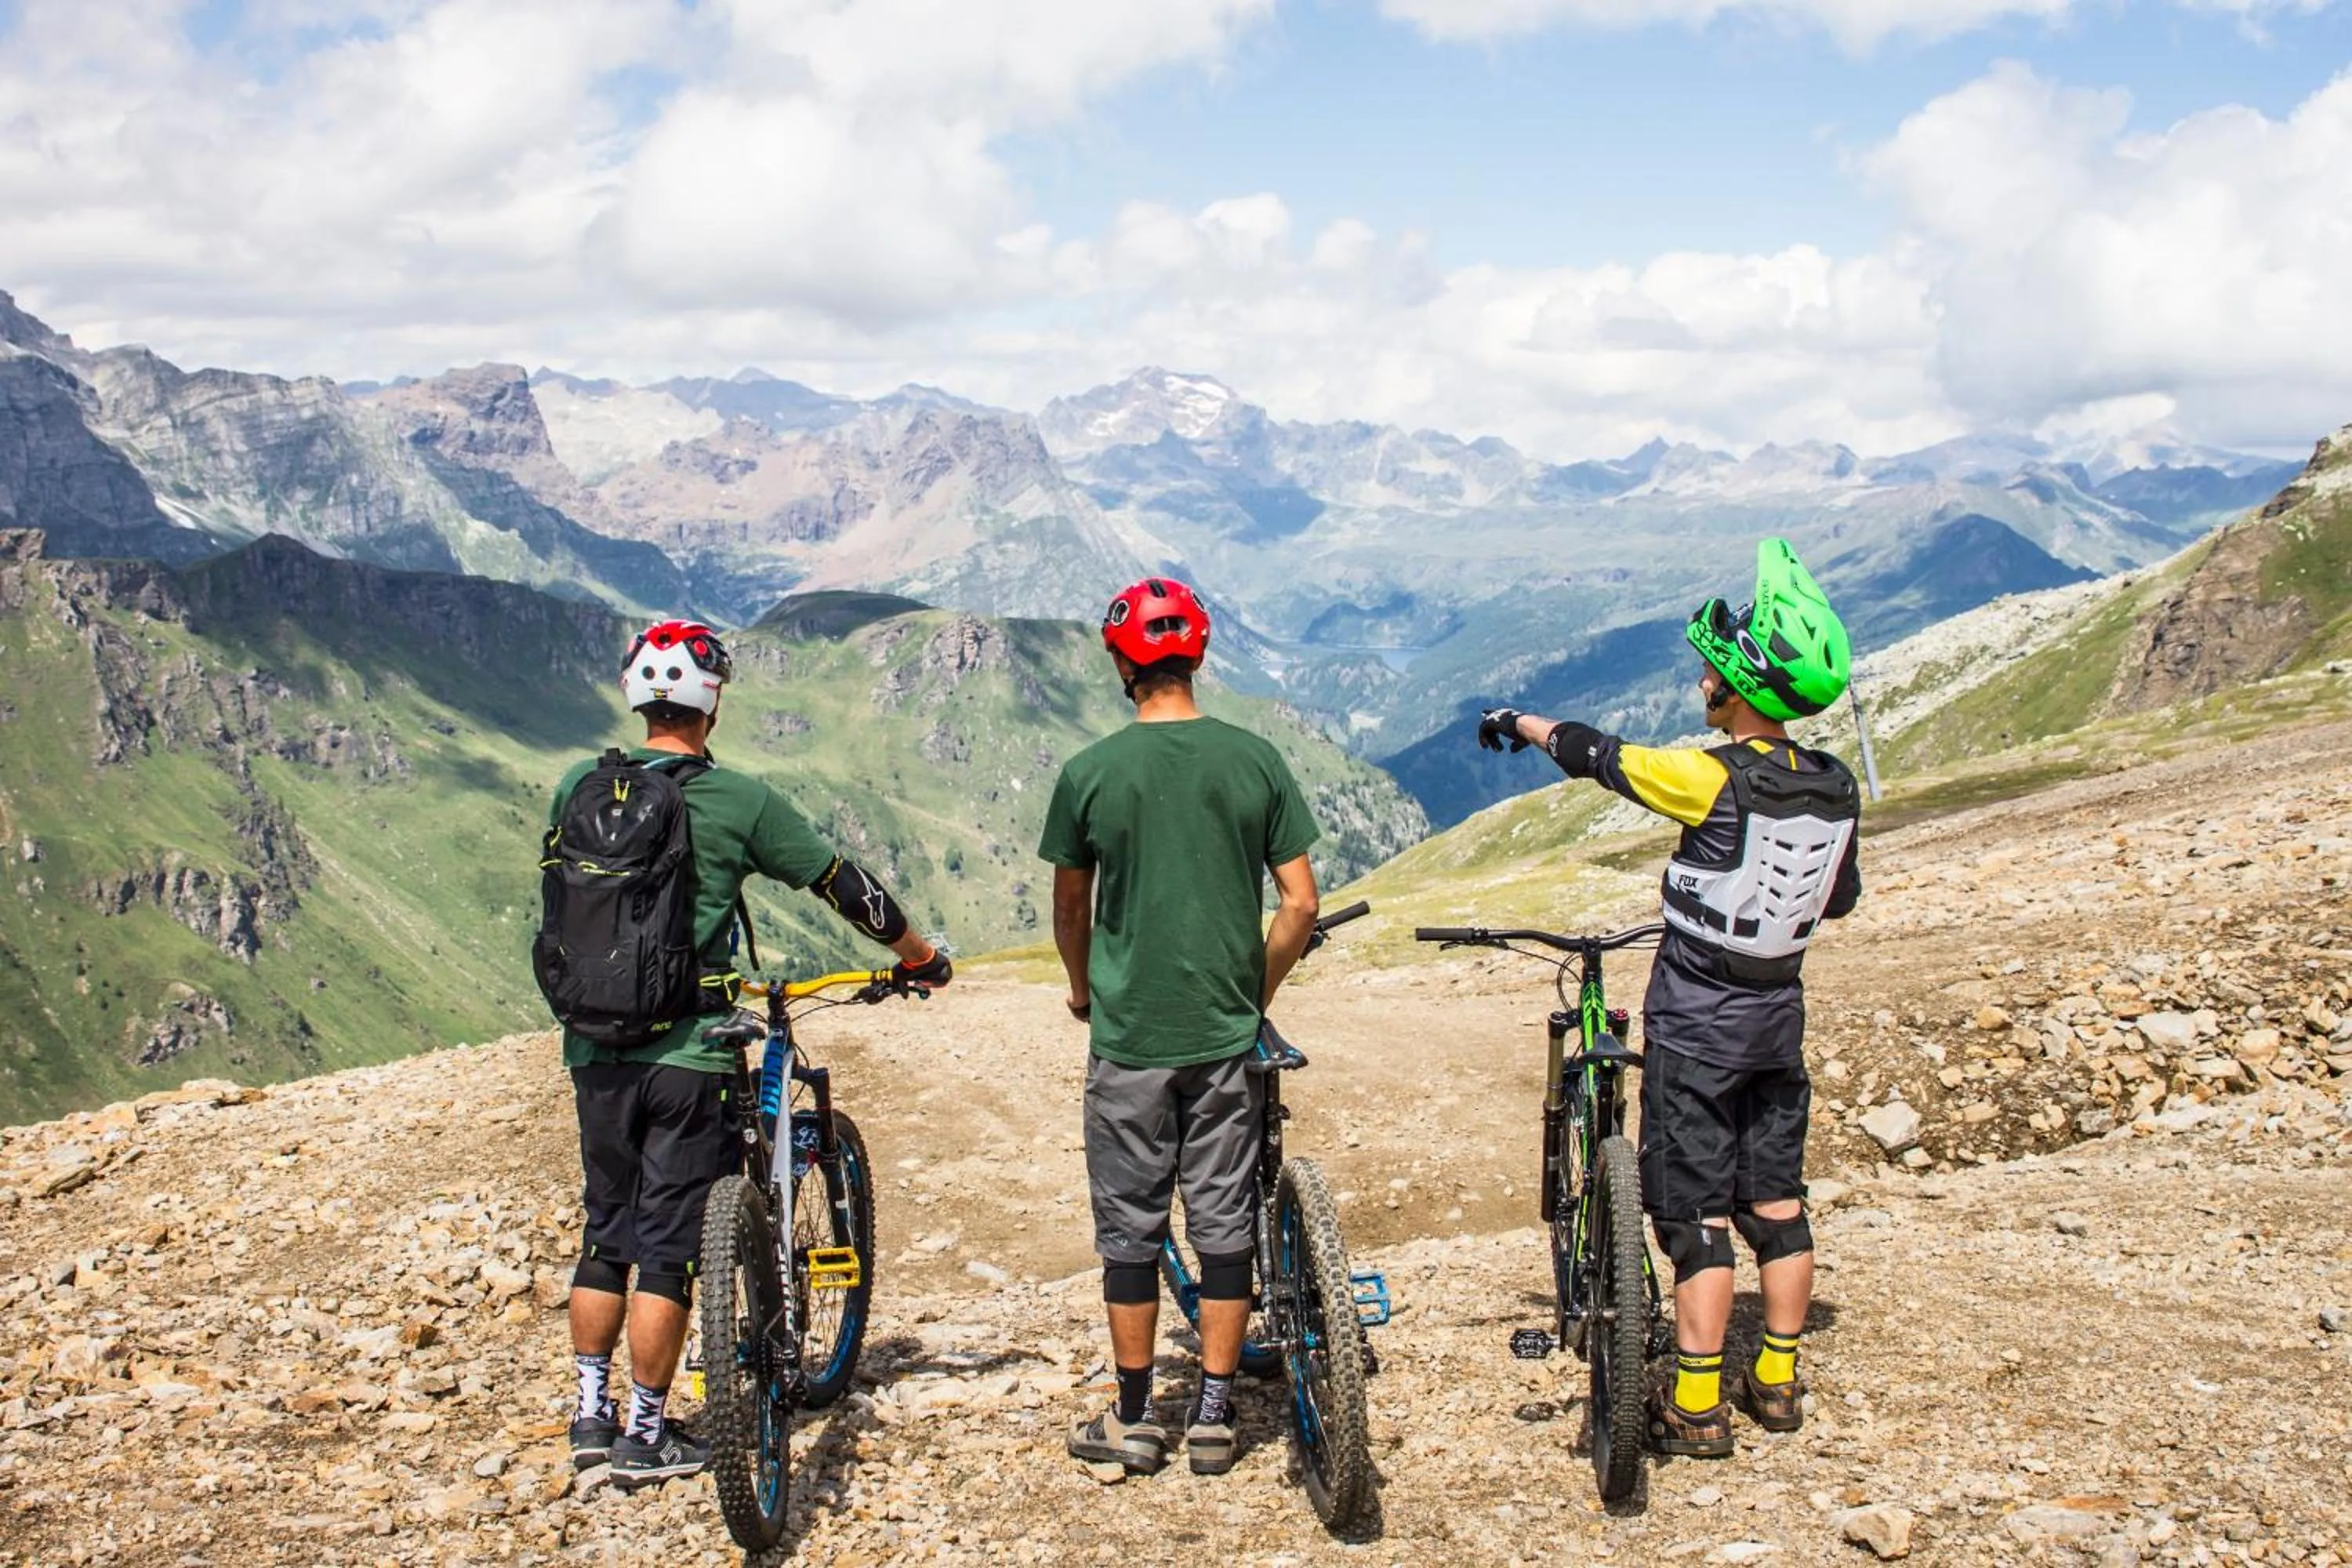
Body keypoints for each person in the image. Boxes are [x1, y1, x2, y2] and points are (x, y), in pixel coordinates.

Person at [1472, 539, 1860, 1460]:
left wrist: (1520, 720)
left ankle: (1693, 1404)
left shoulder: (1711, 774)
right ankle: (1775, 1378)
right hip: (1779, 1021)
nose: (1701, 685)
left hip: (1698, 1023)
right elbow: (1836, 896)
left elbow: (1601, 757)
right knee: (1779, 1204)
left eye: (1712, 676)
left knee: (1693, 1218)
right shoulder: (1836, 786)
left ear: (1742, 688)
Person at [548, 619, 951, 1484]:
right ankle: (647, 1434)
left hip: (593, 1046)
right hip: (690, 1049)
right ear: (712, 699)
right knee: (668, 1243)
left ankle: (590, 1413)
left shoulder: (578, 791)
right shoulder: (738, 802)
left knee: (605, 1230)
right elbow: (841, 882)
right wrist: (919, 954)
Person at [1038, 578, 1323, 1479]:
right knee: (1224, 1221)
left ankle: (1133, 1422)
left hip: (1129, 1039)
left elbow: (1071, 906)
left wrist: (1085, 990)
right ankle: (1211, 1414)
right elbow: (1300, 903)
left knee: (1129, 1228)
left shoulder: (1088, 773)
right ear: (1197, 656)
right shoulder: (1255, 759)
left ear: (1125, 664)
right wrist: (1251, 988)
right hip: (1222, 1036)